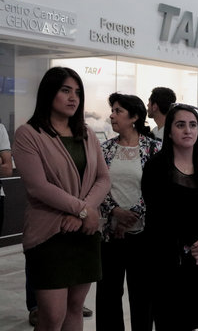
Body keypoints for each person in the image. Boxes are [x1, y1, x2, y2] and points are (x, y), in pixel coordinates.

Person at [13, 66, 111, 331]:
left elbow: (104, 178)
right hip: (49, 235)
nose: (73, 98)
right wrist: (82, 210)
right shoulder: (28, 134)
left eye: (77, 92)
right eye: (65, 90)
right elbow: (38, 187)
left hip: (85, 233)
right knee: (52, 317)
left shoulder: (87, 133)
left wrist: (85, 212)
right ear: (49, 93)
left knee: (75, 309)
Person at [142, 103, 198, 330]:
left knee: (192, 319)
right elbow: (157, 213)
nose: (188, 130)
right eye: (180, 125)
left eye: (193, 125)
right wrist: (186, 243)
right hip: (166, 257)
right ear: (169, 131)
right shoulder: (155, 167)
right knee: (168, 319)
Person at [96, 93, 161, 331]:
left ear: (134, 117)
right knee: (108, 294)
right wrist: (114, 212)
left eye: (118, 111)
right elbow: (98, 185)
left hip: (143, 235)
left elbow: (157, 190)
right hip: (109, 234)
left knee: (142, 295)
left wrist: (132, 214)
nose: (112, 115)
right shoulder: (105, 149)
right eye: (112, 110)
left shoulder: (155, 149)